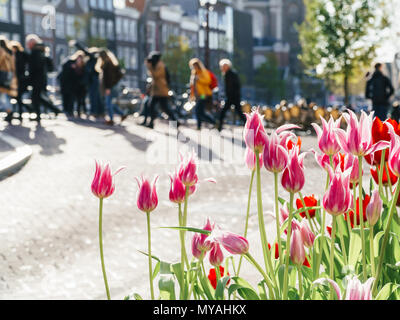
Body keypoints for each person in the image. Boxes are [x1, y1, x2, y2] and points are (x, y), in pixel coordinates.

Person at [26, 34, 59, 124]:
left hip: (37, 79)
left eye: (28, 43)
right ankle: (52, 110)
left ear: (32, 43)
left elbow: (34, 67)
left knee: (35, 97)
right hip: (41, 78)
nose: (27, 45)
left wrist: (29, 77)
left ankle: (39, 115)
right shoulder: (41, 51)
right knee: (38, 97)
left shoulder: (35, 52)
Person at [145, 51, 179, 129]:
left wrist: (149, 67)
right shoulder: (157, 64)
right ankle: (151, 123)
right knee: (153, 106)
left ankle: (175, 124)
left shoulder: (160, 65)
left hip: (161, 91)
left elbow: (155, 75)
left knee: (163, 108)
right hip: (157, 91)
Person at [96, 49, 127, 125]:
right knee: (111, 103)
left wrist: (108, 87)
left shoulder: (107, 64)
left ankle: (111, 119)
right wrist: (115, 83)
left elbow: (108, 78)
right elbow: (119, 75)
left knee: (108, 103)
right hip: (113, 86)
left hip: (110, 87)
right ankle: (122, 114)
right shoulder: (112, 63)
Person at [218, 59, 246, 131]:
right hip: (232, 97)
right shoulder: (229, 74)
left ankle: (219, 126)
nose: (222, 68)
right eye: (222, 66)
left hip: (232, 97)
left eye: (224, 66)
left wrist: (229, 96)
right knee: (238, 112)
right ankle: (219, 126)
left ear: (228, 66)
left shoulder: (230, 74)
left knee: (225, 112)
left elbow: (233, 87)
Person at [189, 58, 216, 130]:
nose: (194, 67)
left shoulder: (203, 72)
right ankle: (207, 124)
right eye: (192, 66)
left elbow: (208, 81)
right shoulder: (194, 73)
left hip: (204, 94)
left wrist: (199, 79)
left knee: (198, 110)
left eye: (195, 66)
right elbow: (192, 86)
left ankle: (210, 123)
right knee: (200, 111)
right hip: (197, 95)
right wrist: (192, 95)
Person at [10, 40, 31, 121]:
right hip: (15, 79)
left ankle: (20, 113)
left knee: (18, 97)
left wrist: (26, 74)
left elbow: (30, 62)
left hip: (20, 79)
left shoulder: (22, 54)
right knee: (16, 97)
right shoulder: (12, 55)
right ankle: (17, 112)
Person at [0, 37, 17, 123]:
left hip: (1, 76)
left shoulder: (1, 51)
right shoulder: (10, 52)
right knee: (5, 95)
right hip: (8, 77)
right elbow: (13, 66)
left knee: (3, 96)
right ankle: (9, 112)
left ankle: (9, 112)